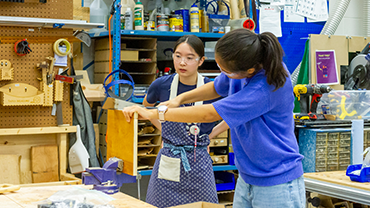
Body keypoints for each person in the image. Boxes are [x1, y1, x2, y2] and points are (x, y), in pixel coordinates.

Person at [122, 28, 306, 208]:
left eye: (224, 69)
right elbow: (217, 87)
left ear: (249, 70)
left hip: (276, 181)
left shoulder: (266, 87)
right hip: (247, 175)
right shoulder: (244, 64)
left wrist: (156, 113)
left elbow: (210, 113)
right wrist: (180, 98)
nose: (221, 72)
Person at [142, 35, 219, 208]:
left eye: (189, 58)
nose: (182, 62)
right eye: (178, 56)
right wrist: (164, 130)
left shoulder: (212, 89)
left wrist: (211, 134)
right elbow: (147, 108)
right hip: (170, 157)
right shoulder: (161, 85)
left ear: (201, 61)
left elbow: (232, 114)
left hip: (199, 160)